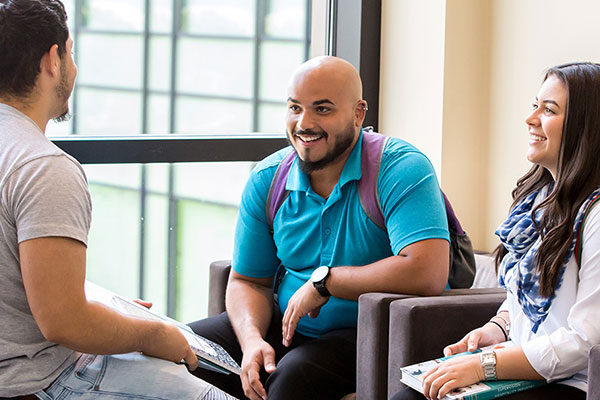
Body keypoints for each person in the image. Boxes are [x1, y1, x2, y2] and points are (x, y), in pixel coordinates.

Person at [0, 1, 233, 399]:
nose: (73, 66)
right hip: (38, 382)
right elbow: (64, 321)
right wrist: (154, 333)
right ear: (53, 59)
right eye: (71, 52)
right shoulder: (43, 166)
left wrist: (111, 308)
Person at [189, 55, 451, 400]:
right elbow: (249, 280)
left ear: (359, 113)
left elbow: (427, 271)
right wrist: (251, 340)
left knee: (294, 377)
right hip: (283, 326)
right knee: (181, 352)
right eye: (295, 108)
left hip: (367, 333)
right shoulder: (268, 180)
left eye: (322, 109)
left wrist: (325, 283)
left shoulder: (401, 169)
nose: (303, 123)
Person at [392, 62, 600, 400]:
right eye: (535, 105)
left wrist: (484, 365)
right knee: (412, 396)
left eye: (549, 110)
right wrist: (498, 328)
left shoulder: (596, 216)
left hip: (572, 384)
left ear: (585, 127)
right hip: (523, 370)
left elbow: (587, 338)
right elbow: (525, 295)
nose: (531, 119)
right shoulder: (538, 201)